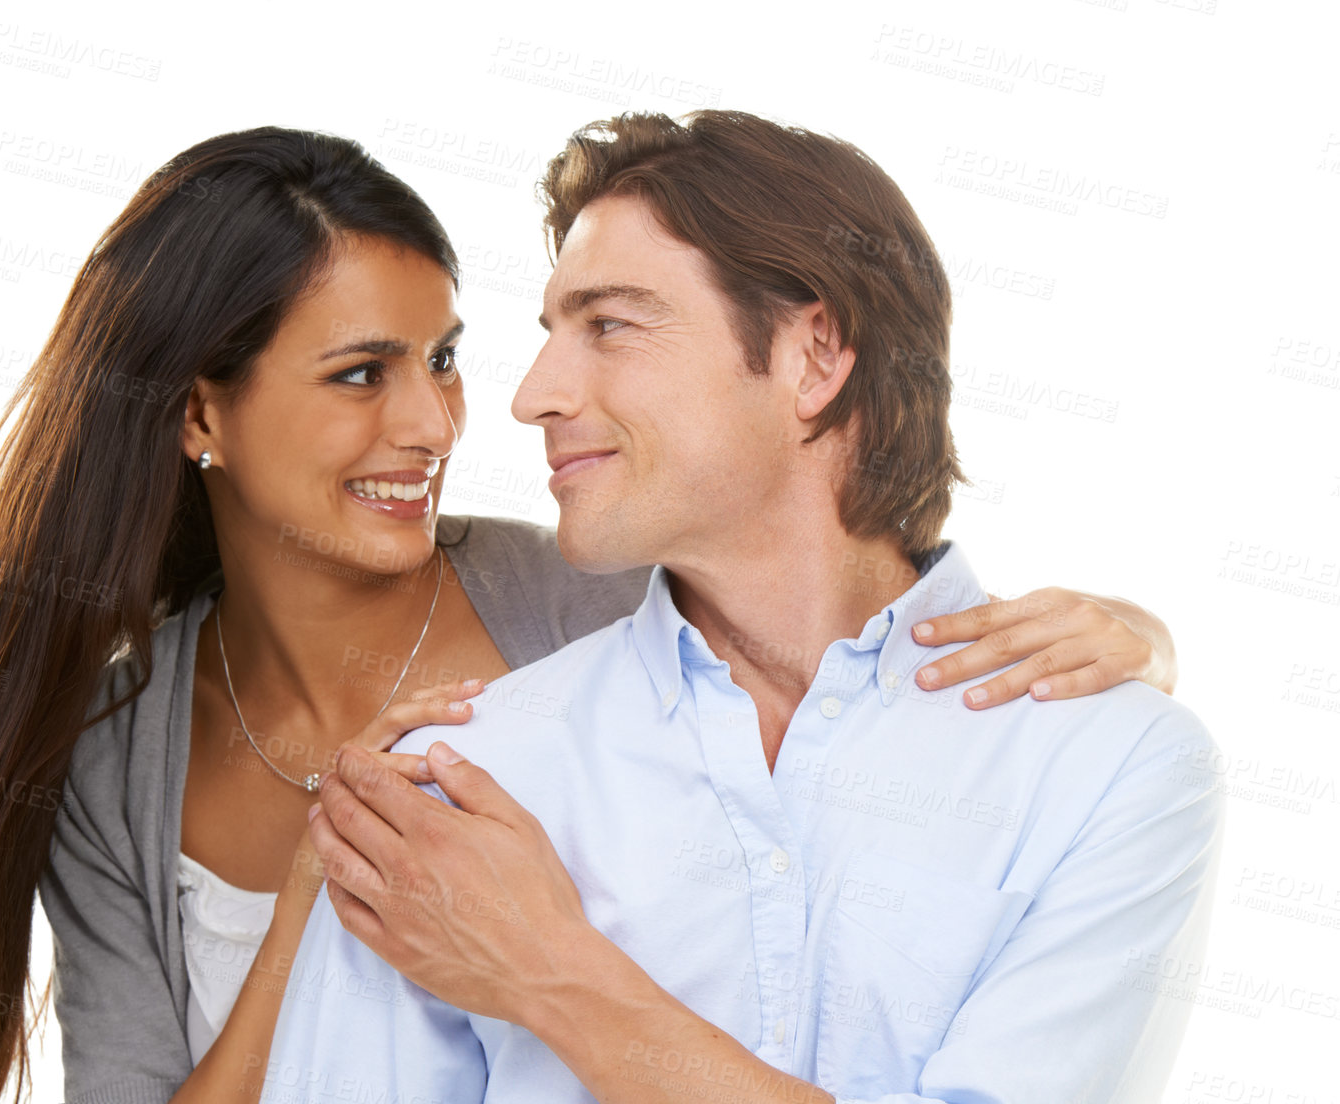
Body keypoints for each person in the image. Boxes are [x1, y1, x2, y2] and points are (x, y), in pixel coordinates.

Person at [0, 125, 1184, 1104]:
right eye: (356, 373)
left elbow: (814, 584)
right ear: (199, 413)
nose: (459, 414)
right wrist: (318, 900)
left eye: (442, 358)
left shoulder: (588, 592)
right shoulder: (118, 749)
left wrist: (1128, 650)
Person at [268, 111, 1224, 1104]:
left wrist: (550, 971)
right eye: (550, 334)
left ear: (813, 355)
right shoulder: (450, 799)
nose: (531, 395)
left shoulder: (1111, 768)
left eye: (609, 325)